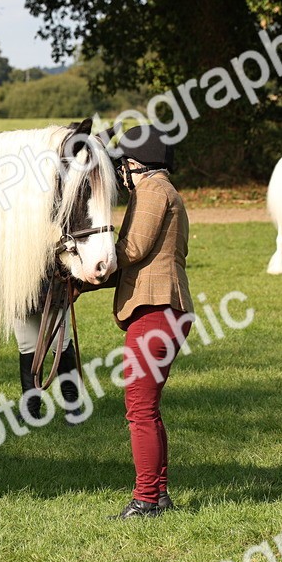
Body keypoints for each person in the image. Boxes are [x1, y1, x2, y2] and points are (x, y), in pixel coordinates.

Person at [106, 124, 193, 520]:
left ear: (136, 163)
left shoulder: (153, 191)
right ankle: (158, 496)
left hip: (155, 310)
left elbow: (132, 249)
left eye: (122, 164)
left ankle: (145, 501)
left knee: (139, 411)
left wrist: (83, 260)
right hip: (164, 309)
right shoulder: (164, 189)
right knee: (148, 410)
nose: (120, 172)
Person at [13, 308, 83, 425]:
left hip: (54, 297)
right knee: (27, 345)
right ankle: (31, 407)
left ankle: (72, 405)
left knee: (59, 342)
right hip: (20, 297)